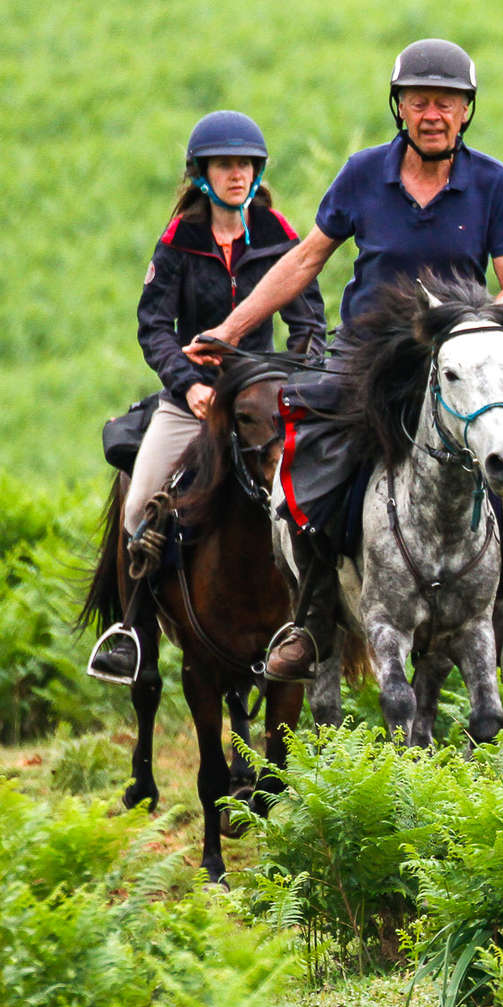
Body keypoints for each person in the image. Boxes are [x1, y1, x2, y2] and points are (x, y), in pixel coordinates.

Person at [183, 38, 503, 686]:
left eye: (446, 102)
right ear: (400, 108)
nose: (432, 112)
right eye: (419, 101)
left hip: (454, 363)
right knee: (306, 464)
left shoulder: (494, 183)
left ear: (466, 111)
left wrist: (476, 339)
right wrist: (231, 328)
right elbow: (304, 260)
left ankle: (499, 618)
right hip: (364, 362)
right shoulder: (362, 175)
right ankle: (312, 618)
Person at [87, 111, 325, 683]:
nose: (237, 174)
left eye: (245, 164)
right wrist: (188, 384)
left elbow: (310, 321)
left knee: (323, 496)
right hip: (191, 399)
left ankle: (323, 621)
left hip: (262, 399)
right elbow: (153, 328)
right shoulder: (178, 241)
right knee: (143, 498)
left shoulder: (279, 236)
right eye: (225, 165)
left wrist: (288, 380)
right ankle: (132, 633)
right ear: (202, 175)